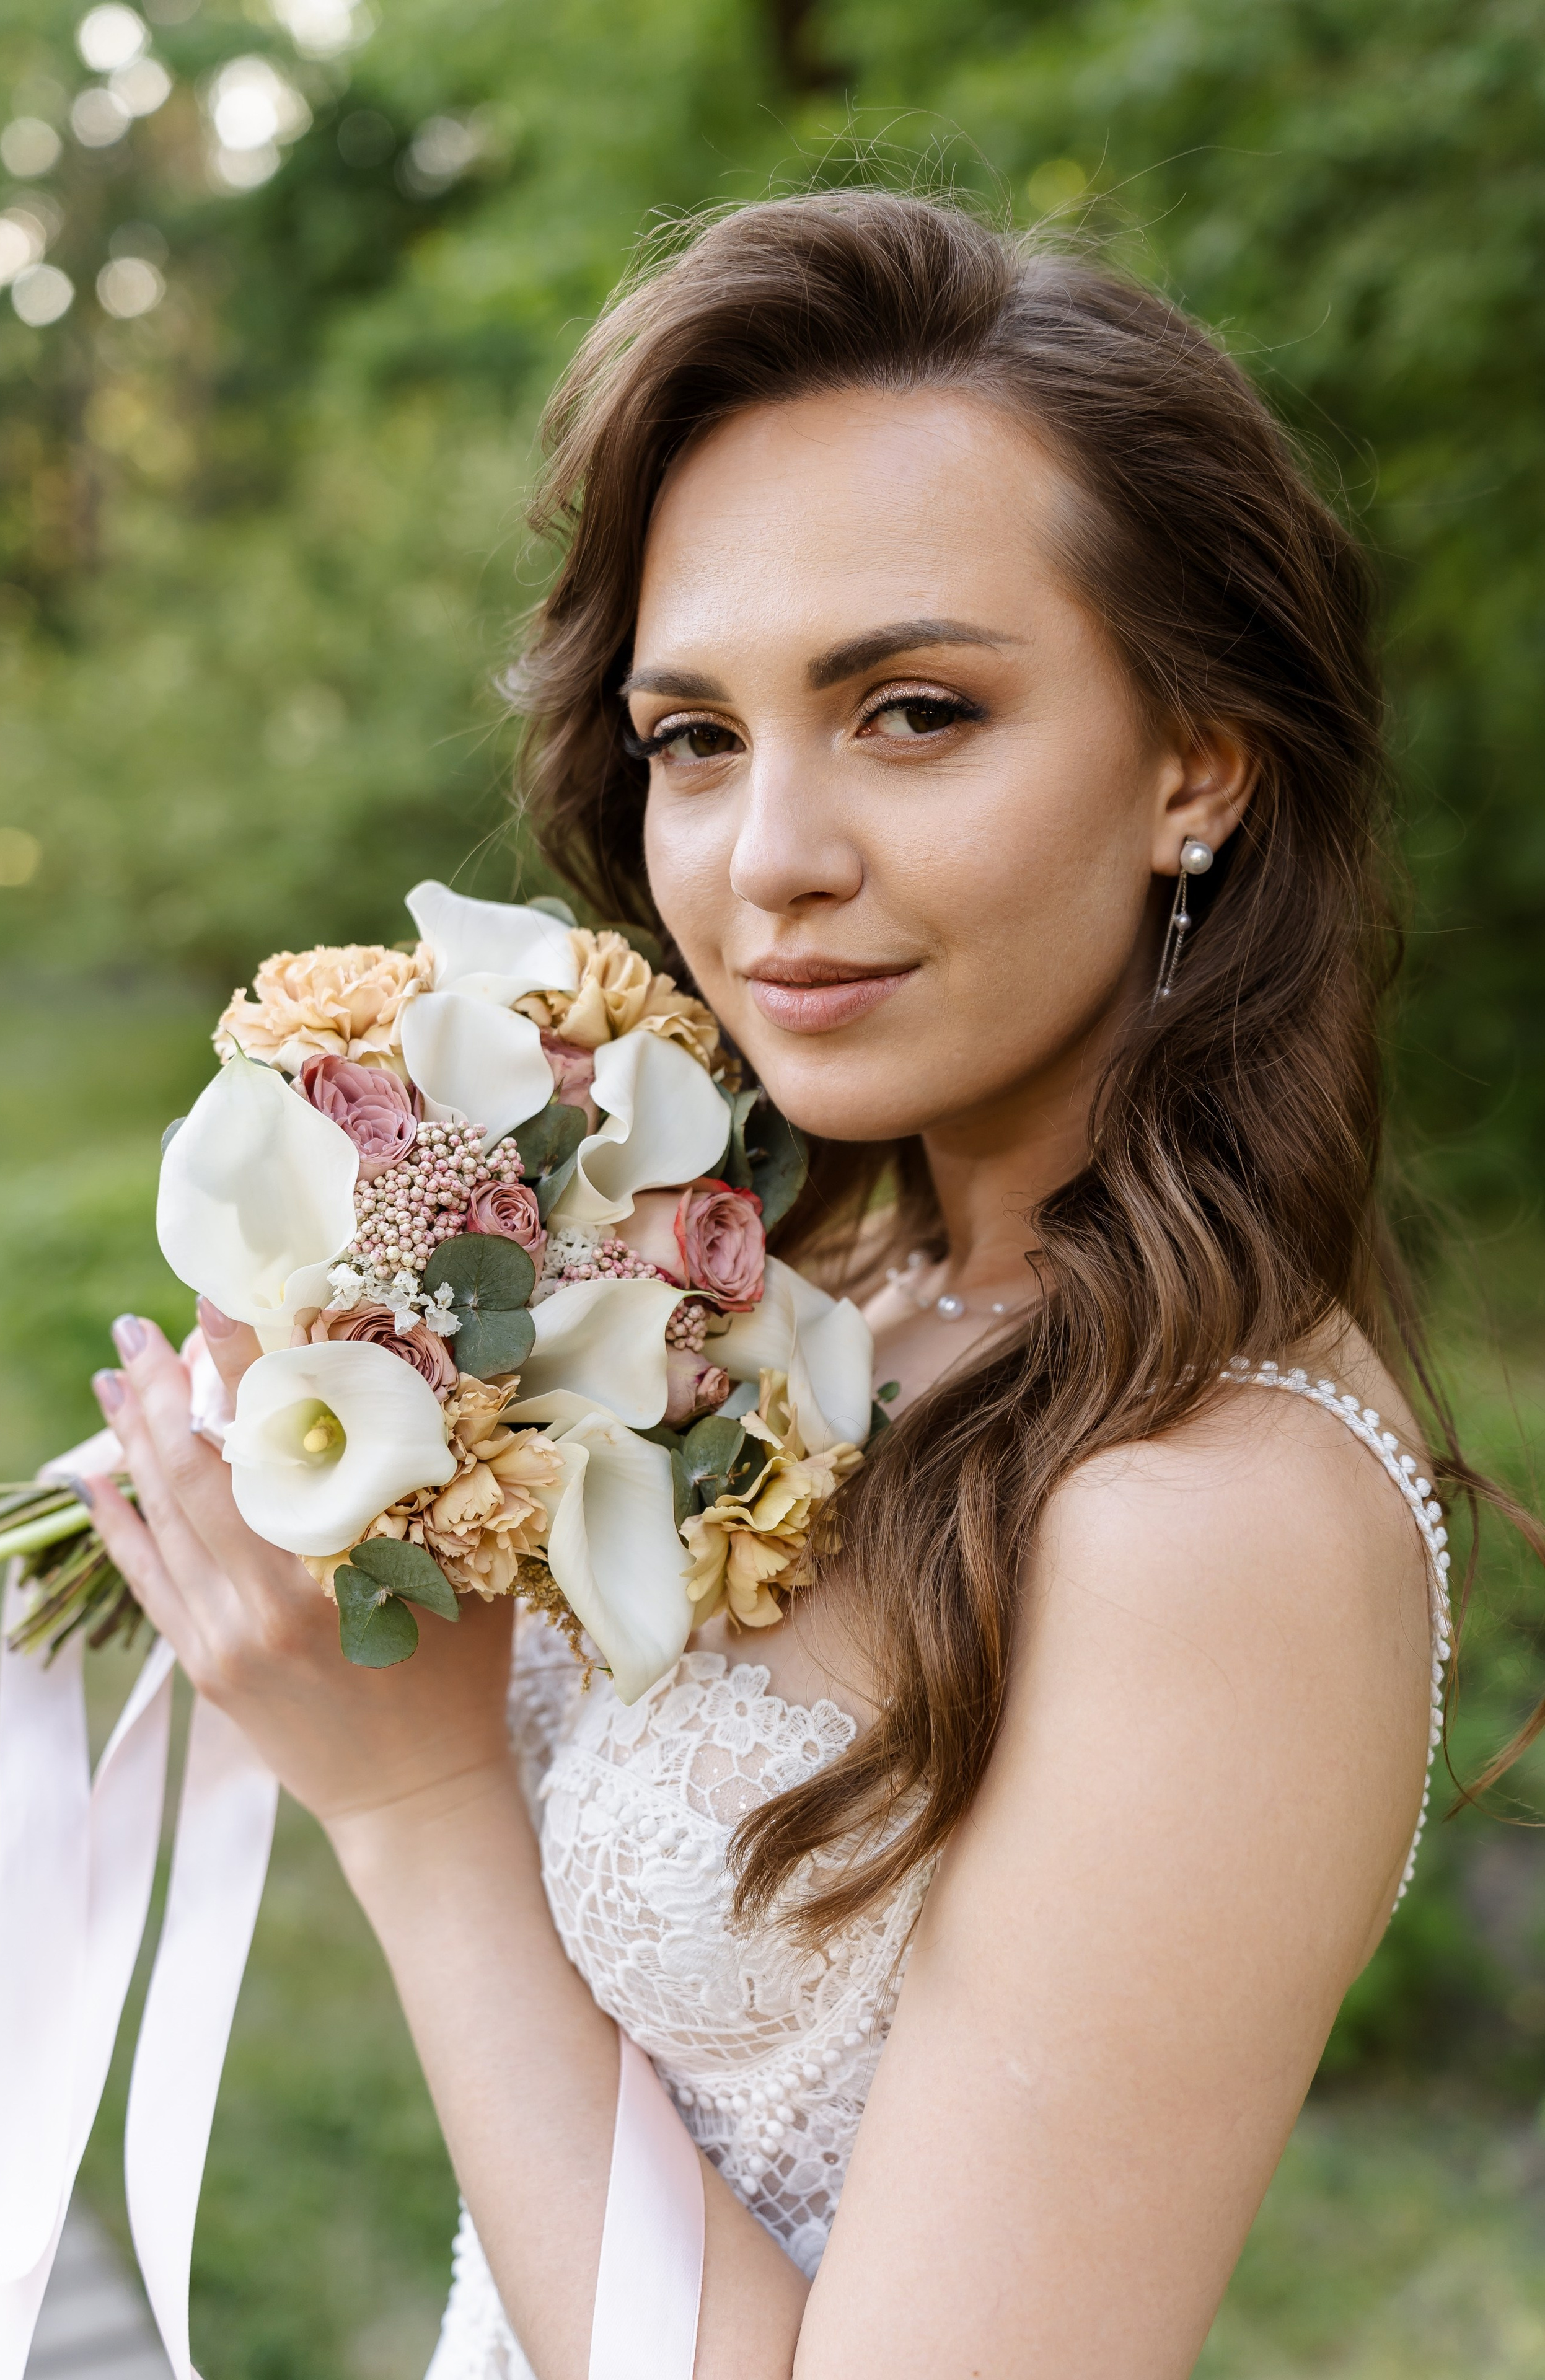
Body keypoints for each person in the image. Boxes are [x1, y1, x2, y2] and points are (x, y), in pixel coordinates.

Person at [79, 190, 1524, 2378]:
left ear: (1198, 766)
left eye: (917, 711)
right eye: (696, 738)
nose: (768, 863)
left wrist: (410, 1798)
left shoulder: (1216, 1523)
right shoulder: (825, 1282)